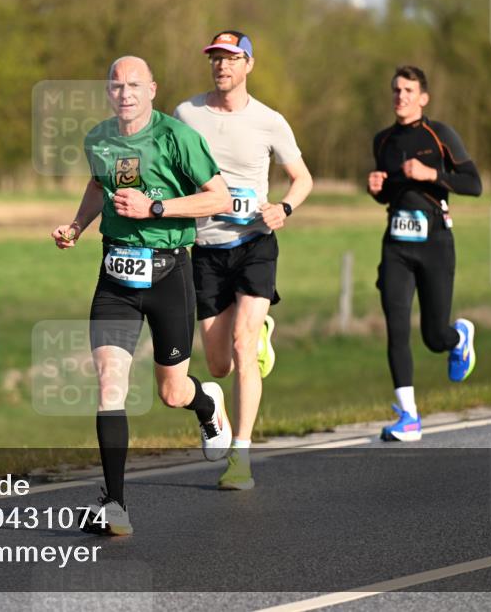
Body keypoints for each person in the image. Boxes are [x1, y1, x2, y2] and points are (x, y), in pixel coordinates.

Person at [51, 56, 232, 536]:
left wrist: (157, 206)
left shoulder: (177, 137)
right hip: (115, 276)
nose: (125, 92)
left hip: (170, 273)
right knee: (111, 384)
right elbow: (98, 186)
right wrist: (76, 224)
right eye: (116, 84)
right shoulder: (98, 139)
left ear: (152, 89)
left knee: (172, 393)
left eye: (135, 84)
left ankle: (207, 404)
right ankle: (115, 505)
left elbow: (220, 197)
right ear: (108, 91)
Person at [174, 30, 313, 490]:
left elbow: (302, 178)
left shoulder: (269, 120)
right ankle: (242, 362)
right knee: (217, 364)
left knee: (241, 343)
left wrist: (284, 207)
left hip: (255, 241)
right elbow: (172, 173)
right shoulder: (186, 115)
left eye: (231, 58)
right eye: (215, 58)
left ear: (248, 64)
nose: (222, 66)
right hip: (206, 249)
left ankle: (242, 455)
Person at [368, 65, 481, 442]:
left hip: (435, 242)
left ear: (423, 97)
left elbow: (474, 183)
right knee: (396, 328)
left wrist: (431, 174)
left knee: (433, 336)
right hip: (396, 244)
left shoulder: (440, 134)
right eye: (396, 89)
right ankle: (409, 416)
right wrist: (377, 189)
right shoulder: (382, 141)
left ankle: (458, 337)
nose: (401, 96)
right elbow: (390, 194)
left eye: (408, 90)